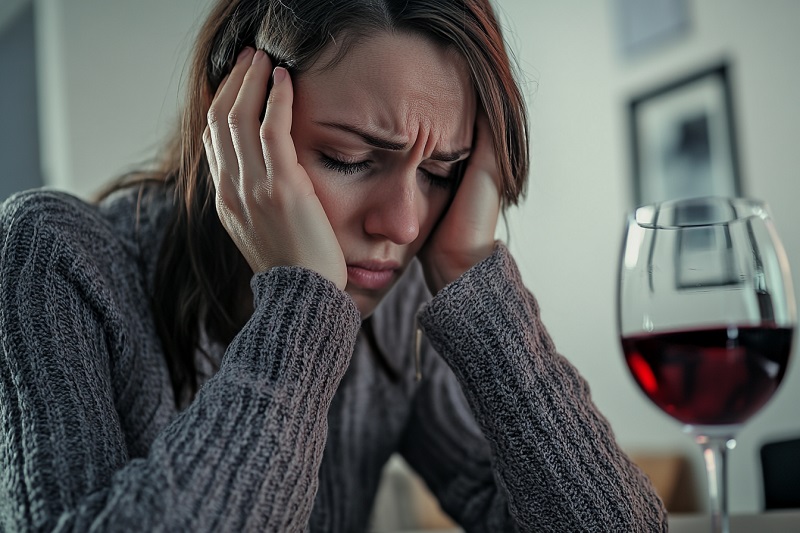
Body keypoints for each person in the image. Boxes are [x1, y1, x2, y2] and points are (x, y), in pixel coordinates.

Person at [0, 0, 668, 531]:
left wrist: (474, 274)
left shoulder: (397, 298)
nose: (403, 226)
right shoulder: (54, 255)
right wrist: (302, 311)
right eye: (349, 159)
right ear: (238, 117)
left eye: (442, 172)